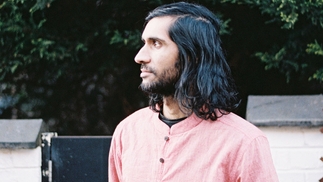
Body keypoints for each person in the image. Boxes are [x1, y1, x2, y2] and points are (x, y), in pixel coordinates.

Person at [108, 2, 279, 182]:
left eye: (156, 44)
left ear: (192, 55)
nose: (140, 56)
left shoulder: (244, 143)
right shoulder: (128, 132)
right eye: (144, 43)